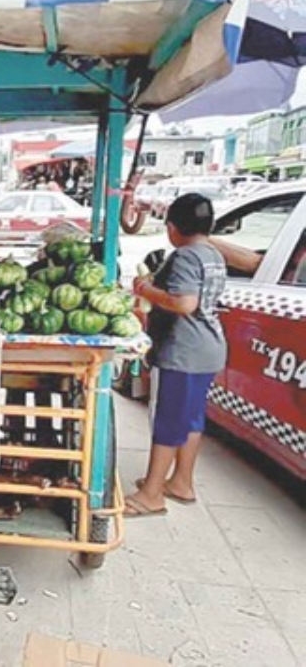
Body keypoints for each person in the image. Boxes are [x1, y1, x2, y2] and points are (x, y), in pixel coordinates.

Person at [127, 193, 227, 517]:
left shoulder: (185, 256)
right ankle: (181, 482)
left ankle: (152, 494)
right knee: (191, 418)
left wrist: (144, 290)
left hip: (184, 351)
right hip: (208, 348)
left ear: (171, 227)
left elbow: (184, 303)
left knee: (169, 420)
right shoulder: (212, 254)